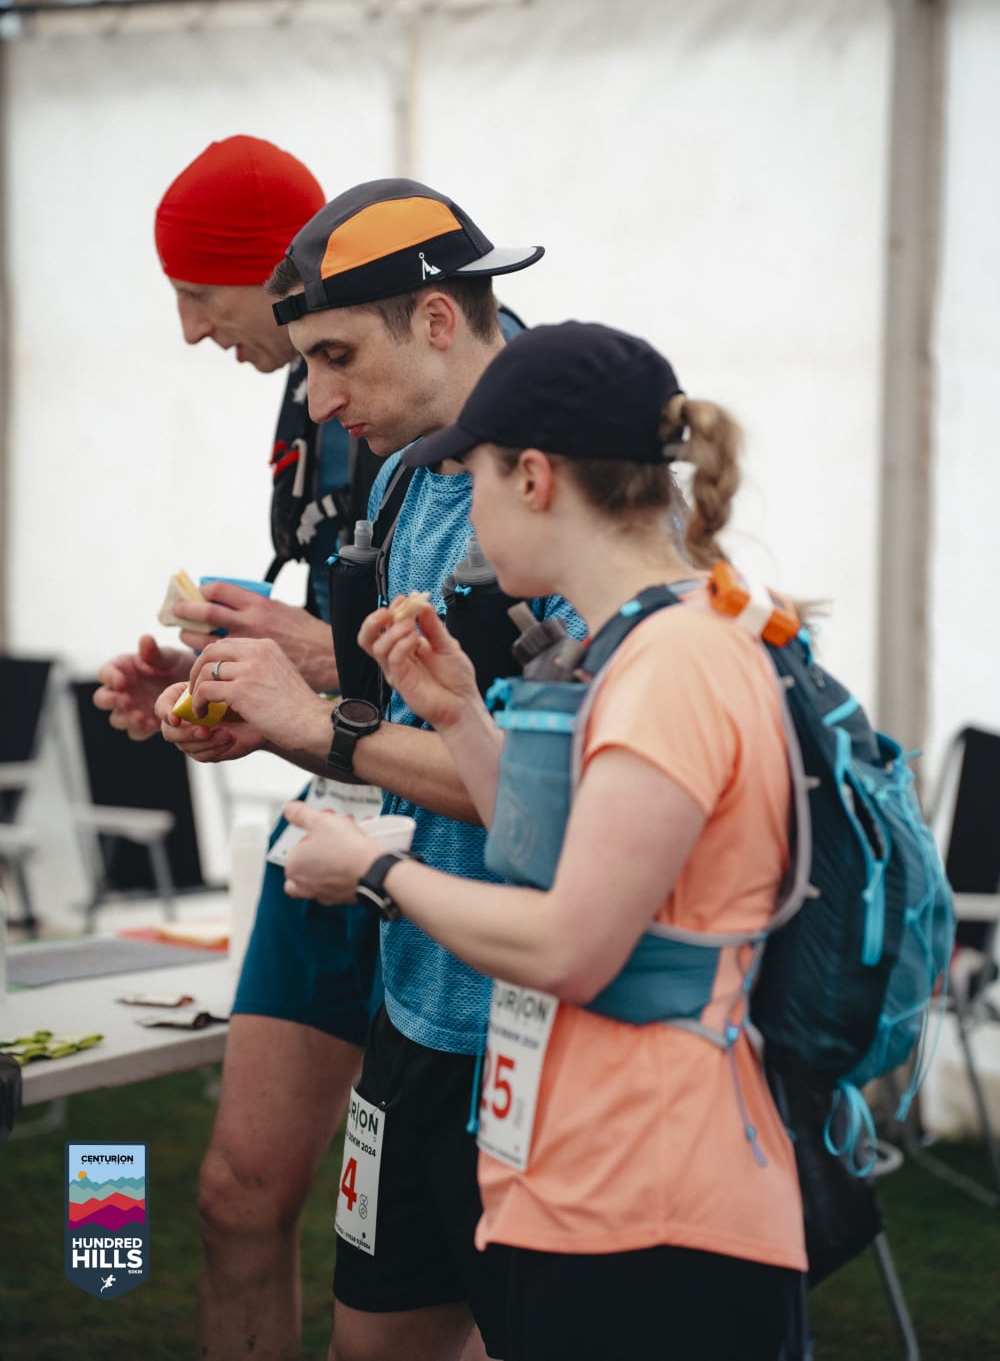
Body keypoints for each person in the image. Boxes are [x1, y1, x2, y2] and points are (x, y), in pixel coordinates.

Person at [278, 321, 808, 1361]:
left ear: (531, 478)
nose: (462, 515)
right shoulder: (650, 638)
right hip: (603, 1179)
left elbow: (572, 942)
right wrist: (460, 716)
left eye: (471, 479)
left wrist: (376, 870)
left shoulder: (671, 664)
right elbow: (558, 853)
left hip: (655, 1199)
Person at [153, 179, 583, 1361]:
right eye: (307, 363)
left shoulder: (558, 487)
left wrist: (314, 729)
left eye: (336, 357)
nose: (320, 401)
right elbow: (393, 718)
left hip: (534, 1028)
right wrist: (252, 709)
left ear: (438, 319)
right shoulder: (400, 481)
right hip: (416, 1001)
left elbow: (539, 804)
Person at [93, 136, 381, 1361]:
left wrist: (308, 655)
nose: (188, 332)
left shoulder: (474, 401)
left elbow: (496, 686)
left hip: (443, 868)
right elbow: (347, 666)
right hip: (323, 833)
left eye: (198, 295)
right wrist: (217, 692)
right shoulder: (309, 400)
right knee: (236, 1197)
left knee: (419, 1273)